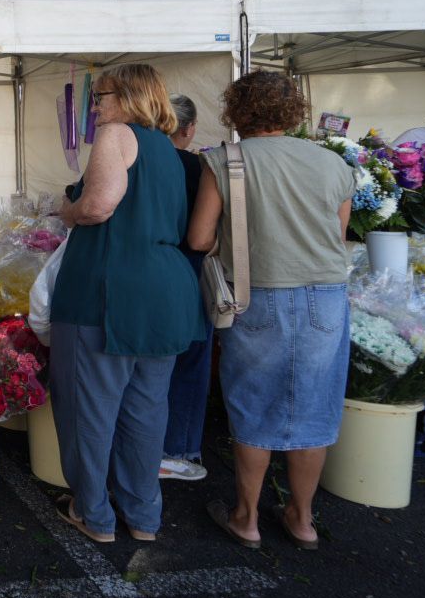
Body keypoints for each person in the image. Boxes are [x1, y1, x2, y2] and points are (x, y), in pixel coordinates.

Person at [188, 71, 355, 551]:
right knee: (315, 410)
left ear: (236, 111)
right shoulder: (331, 162)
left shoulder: (224, 160)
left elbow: (200, 239)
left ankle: (246, 518)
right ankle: (302, 520)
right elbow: (337, 238)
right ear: (294, 111)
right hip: (325, 297)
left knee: (254, 405)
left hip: (255, 295)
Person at [50, 64, 203, 544]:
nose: (95, 107)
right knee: (145, 410)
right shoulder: (169, 149)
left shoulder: (117, 134)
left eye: (102, 96)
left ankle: (92, 513)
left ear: (129, 96)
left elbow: (99, 205)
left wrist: (68, 212)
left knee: (89, 409)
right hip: (165, 292)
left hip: (108, 292)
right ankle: (143, 516)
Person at [160, 94, 213, 482]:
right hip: (192, 270)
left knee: (147, 365)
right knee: (191, 359)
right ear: (190, 129)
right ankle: (178, 450)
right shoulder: (202, 167)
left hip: (149, 268)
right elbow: (205, 236)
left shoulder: (137, 164)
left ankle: (141, 445)